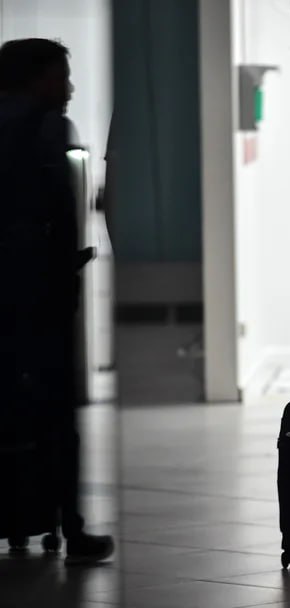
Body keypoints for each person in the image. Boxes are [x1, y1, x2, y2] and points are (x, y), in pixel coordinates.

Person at [0, 38, 114, 564]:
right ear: (35, 80)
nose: (68, 88)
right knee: (54, 418)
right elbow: (57, 212)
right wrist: (68, 267)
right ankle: (71, 529)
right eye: (60, 77)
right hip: (38, 297)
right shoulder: (47, 128)